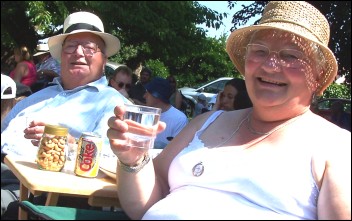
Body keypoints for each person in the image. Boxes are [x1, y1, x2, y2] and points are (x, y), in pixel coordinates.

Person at [107, 1, 351, 220]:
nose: (270, 65)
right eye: (260, 51)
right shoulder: (205, 123)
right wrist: (134, 160)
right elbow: (145, 204)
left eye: (290, 55)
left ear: (318, 76)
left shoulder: (336, 148)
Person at [1, 11, 130, 219]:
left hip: (36, 193)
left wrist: (66, 143)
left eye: (89, 47)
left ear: (104, 59)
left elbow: (113, 163)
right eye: (70, 46)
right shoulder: (39, 96)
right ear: (61, 55)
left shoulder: (114, 105)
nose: (78, 53)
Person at [143, 77, 188, 149]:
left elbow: (177, 150)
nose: (144, 96)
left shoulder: (180, 119)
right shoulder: (144, 115)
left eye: (147, 93)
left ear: (156, 95)